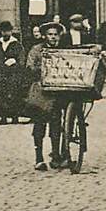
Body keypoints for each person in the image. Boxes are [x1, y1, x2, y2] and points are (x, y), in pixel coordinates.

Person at [25, 21, 66, 170]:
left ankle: (55, 155)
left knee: (56, 123)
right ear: (44, 36)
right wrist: (44, 69)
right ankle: (39, 158)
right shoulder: (36, 50)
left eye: (55, 34)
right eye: (50, 34)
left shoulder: (62, 50)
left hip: (56, 91)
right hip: (41, 90)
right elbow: (30, 67)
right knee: (39, 124)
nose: (53, 37)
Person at [0, 21, 26, 125]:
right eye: (3, 31)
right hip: (1, 73)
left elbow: (21, 59)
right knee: (1, 94)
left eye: (7, 31)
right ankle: (3, 117)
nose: (5, 33)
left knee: (13, 95)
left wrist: (15, 61)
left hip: (13, 74)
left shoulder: (16, 44)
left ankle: (15, 116)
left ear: (11, 32)